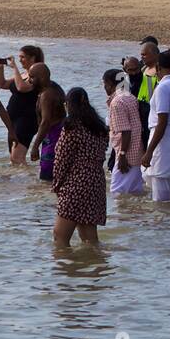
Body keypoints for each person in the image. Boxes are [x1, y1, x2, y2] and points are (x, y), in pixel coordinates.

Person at [51, 88, 109, 246]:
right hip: (96, 182)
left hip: (76, 183)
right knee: (89, 239)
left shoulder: (71, 127)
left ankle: (66, 269)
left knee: (59, 238)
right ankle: (93, 267)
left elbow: (62, 161)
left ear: (68, 105)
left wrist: (57, 186)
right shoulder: (100, 128)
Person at [0, 45, 44, 164]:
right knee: (13, 158)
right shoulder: (23, 74)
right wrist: (0, 68)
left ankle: (27, 181)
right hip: (13, 120)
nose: (19, 60)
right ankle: (21, 181)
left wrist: (14, 68)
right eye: (19, 57)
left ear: (32, 58)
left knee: (17, 157)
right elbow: (2, 84)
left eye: (22, 57)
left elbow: (21, 87)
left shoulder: (36, 76)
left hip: (27, 120)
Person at [102, 68, 145, 196]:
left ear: (109, 83)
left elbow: (126, 131)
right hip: (137, 152)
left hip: (127, 156)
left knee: (117, 194)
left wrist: (122, 155)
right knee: (135, 193)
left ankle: (122, 217)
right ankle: (136, 216)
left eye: (104, 83)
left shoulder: (117, 102)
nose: (104, 87)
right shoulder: (130, 97)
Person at [141, 47, 170, 202]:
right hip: (168, 141)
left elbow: (162, 122)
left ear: (158, 67)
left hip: (164, 143)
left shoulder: (163, 88)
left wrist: (149, 152)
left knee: (161, 201)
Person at [30, 66, 66, 182]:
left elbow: (45, 122)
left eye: (32, 77)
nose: (29, 80)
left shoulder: (46, 95)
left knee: (47, 177)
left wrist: (35, 146)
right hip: (58, 135)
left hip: (52, 138)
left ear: (42, 77)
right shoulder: (55, 88)